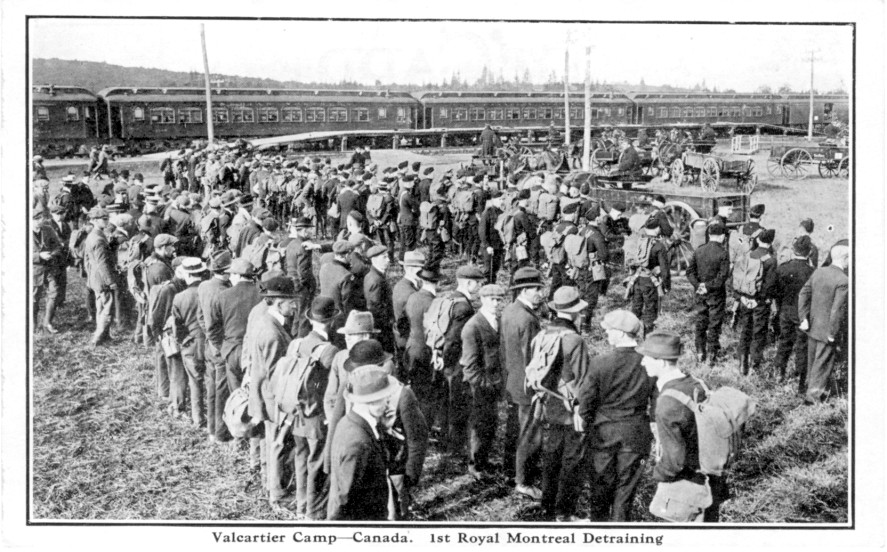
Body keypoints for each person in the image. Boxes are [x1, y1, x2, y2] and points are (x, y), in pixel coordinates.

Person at [638, 331, 729, 522]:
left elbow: (674, 460)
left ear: (661, 362)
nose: (642, 362)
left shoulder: (667, 403)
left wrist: (658, 474)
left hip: (686, 487)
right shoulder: (697, 384)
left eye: (647, 358)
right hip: (710, 479)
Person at [578, 310, 654, 521]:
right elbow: (655, 402)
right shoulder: (648, 363)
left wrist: (584, 426)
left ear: (620, 333)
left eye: (609, 331)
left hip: (603, 433)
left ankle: (599, 531)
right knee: (625, 491)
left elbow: (586, 401)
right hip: (635, 433)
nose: (607, 335)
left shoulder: (600, 362)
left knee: (600, 487)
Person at [534, 286, 591, 522]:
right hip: (573, 409)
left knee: (552, 455)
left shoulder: (543, 333)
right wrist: (585, 409)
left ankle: (547, 505)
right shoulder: (575, 340)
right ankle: (564, 512)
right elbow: (583, 380)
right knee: (573, 460)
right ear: (576, 312)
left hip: (551, 404)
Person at [245, 276, 300, 510]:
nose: (296, 306)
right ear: (278, 304)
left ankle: (270, 485)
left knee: (271, 443)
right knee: (280, 444)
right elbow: (276, 376)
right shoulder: (272, 334)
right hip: (274, 400)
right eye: (291, 303)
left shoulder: (266, 320)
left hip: (264, 397)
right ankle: (279, 494)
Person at [284, 295, 340, 518]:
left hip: (297, 414)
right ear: (332, 320)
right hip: (316, 417)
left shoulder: (296, 343)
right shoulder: (329, 351)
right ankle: (314, 513)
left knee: (301, 460)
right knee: (317, 464)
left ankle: (301, 504)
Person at [327, 367, 399, 521]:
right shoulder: (358, 443)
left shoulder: (350, 421)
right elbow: (345, 500)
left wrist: (386, 429)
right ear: (371, 401)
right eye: (385, 397)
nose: (388, 402)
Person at [500, 267, 545, 498]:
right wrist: (538, 387)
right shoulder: (528, 319)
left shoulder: (509, 311)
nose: (541, 293)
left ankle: (510, 471)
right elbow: (532, 359)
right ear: (525, 290)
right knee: (530, 433)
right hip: (526, 386)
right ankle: (524, 481)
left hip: (511, 382)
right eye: (538, 289)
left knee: (513, 429)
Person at [460, 284, 506, 478]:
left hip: (493, 382)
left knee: (490, 424)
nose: (495, 303)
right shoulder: (473, 326)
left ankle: (483, 461)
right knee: (479, 427)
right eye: (491, 300)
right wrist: (486, 384)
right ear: (482, 300)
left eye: (499, 300)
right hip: (479, 387)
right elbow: (469, 367)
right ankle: (476, 466)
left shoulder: (499, 321)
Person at [798, 241, 849, 404]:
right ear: (846, 258)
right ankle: (812, 401)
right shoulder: (843, 280)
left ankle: (809, 390)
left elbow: (803, 294)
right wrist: (833, 333)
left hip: (812, 326)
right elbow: (837, 310)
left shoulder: (818, 272)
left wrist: (803, 318)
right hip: (827, 331)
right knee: (823, 365)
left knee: (813, 362)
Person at [208, 258, 262, 393]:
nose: (229, 277)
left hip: (231, 349)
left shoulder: (223, 296)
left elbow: (213, 329)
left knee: (236, 394)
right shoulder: (262, 295)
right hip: (255, 349)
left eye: (231, 274)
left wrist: (223, 348)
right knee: (255, 391)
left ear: (237, 276)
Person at [197, 251, 232, 442]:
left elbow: (201, 317)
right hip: (220, 347)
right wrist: (219, 345)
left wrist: (210, 340)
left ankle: (211, 427)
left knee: (211, 388)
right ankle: (220, 432)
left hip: (209, 345)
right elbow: (216, 324)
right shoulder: (225, 292)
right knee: (222, 390)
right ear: (226, 270)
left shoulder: (204, 285)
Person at [171, 258, 209, 428]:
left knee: (195, 382)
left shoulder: (179, 297)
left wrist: (183, 341)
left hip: (191, 344)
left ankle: (198, 418)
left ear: (186, 275)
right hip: (210, 342)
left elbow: (177, 327)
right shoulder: (209, 292)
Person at [734, 229, 777, 375]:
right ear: (771, 242)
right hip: (760, 303)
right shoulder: (770, 260)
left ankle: (742, 364)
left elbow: (739, 277)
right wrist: (761, 301)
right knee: (758, 332)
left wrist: (743, 297)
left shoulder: (747, 255)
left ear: (758, 240)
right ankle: (754, 365)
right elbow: (769, 286)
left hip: (745, 299)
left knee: (745, 330)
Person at [686, 222, 730, 363]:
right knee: (714, 324)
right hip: (716, 294)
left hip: (700, 293)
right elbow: (723, 277)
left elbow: (690, 271)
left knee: (700, 320)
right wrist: (709, 286)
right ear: (722, 236)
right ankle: (712, 354)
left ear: (709, 235)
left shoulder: (699, 250)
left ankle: (700, 352)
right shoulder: (723, 253)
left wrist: (699, 285)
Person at [404, 267, 439, 422]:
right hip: (426, 351)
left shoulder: (413, 297)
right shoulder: (434, 302)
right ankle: (424, 425)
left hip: (411, 347)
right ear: (436, 283)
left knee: (416, 390)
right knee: (427, 394)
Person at [627, 218, 671, 336]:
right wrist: (666, 286)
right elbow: (664, 270)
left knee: (636, 308)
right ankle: (647, 339)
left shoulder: (639, 241)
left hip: (637, 280)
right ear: (657, 229)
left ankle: (630, 337)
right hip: (651, 282)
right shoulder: (659, 246)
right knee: (650, 310)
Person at [82, 207, 117, 347]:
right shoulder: (98, 239)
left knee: (101, 307)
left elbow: (86, 260)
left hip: (95, 277)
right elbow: (102, 263)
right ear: (95, 221)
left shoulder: (93, 235)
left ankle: (105, 335)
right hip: (102, 279)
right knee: (106, 309)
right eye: (104, 219)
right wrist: (110, 281)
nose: (107, 221)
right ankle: (97, 338)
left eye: (107, 218)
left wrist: (90, 274)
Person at [392, 251, 425, 378]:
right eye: (418, 268)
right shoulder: (409, 293)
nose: (422, 272)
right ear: (408, 268)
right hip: (408, 341)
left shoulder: (404, 284)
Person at [363, 245, 395, 355]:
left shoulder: (375, 275)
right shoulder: (376, 280)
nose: (388, 260)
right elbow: (375, 307)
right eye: (384, 257)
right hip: (382, 327)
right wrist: (389, 322)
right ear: (374, 260)